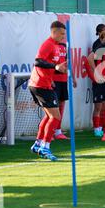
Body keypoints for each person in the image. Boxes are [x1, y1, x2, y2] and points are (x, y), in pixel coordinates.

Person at [29, 21, 68, 161]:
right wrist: (56, 67)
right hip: (40, 84)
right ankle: (45, 148)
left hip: (44, 84)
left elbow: (50, 67)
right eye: (62, 34)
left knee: (49, 116)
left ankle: (38, 144)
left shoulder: (57, 46)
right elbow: (38, 62)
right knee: (55, 117)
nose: (63, 37)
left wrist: (58, 70)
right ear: (54, 32)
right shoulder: (48, 44)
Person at [52, 39, 77, 141]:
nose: (62, 35)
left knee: (61, 105)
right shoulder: (50, 46)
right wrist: (49, 79)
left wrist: (73, 78)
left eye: (63, 33)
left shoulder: (65, 47)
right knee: (53, 107)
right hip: (54, 80)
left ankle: (58, 131)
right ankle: (49, 131)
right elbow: (47, 65)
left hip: (63, 80)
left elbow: (68, 64)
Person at [87, 24, 105, 137]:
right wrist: (97, 72)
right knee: (98, 106)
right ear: (100, 33)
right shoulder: (98, 45)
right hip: (98, 79)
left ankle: (104, 127)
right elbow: (90, 59)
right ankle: (96, 128)